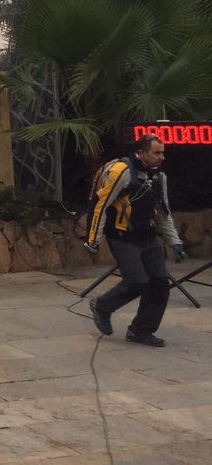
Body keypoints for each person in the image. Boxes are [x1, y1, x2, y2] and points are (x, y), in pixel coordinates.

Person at [85, 134, 185, 346]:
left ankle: (141, 330)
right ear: (141, 152)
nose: (162, 157)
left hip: (147, 236)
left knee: (159, 283)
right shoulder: (121, 171)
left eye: (163, 152)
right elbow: (100, 205)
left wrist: (174, 242)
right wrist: (92, 239)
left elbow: (162, 212)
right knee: (137, 281)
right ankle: (102, 306)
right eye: (157, 153)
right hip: (122, 236)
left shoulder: (159, 176)